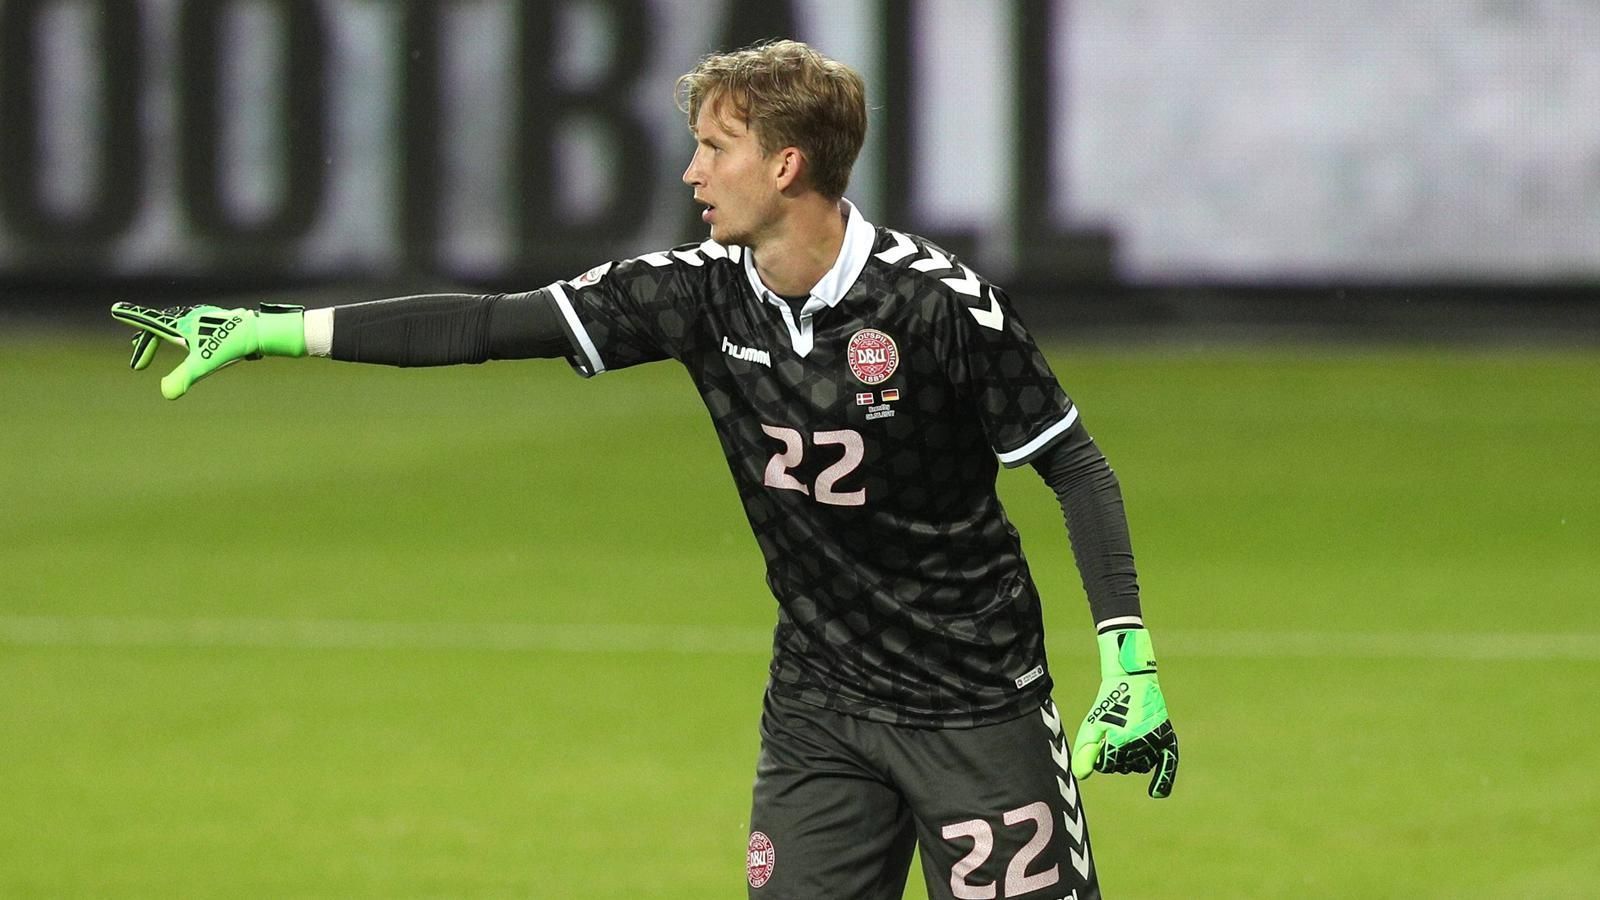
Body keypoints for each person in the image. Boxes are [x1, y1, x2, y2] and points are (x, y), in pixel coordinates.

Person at [112, 39, 1177, 900]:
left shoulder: (938, 304)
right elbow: (488, 325)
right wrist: (269, 331)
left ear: (785, 165)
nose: (691, 172)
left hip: (973, 708)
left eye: (715, 147)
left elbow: (1071, 464)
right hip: (818, 705)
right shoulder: (694, 294)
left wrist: (1128, 664)